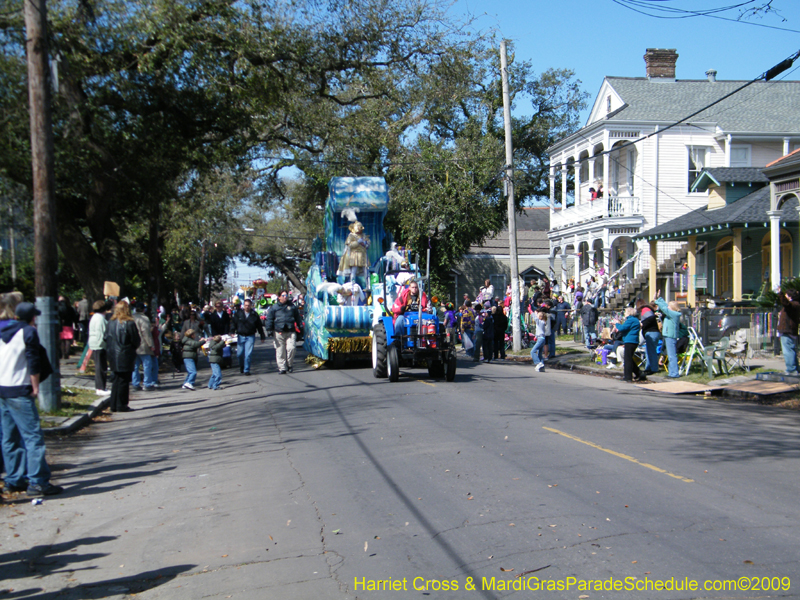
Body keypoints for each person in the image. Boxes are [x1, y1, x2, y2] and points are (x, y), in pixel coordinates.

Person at [0, 302, 63, 497]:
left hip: (2, 389)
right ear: (32, 317)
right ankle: (37, 482)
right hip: (20, 389)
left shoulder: (3, 331)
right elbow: (33, 361)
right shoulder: (28, 332)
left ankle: (14, 478)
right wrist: (35, 386)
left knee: (9, 437)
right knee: (33, 437)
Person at [105, 301, 141, 412]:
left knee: (116, 379)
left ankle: (114, 404)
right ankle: (121, 404)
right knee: (124, 380)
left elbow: (105, 337)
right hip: (125, 353)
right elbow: (136, 340)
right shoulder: (129, 323)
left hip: (112, 353)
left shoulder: (110, 322)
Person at [265, 291, 303, 374]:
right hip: (278, 332)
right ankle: (282, 368)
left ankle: (289, 365)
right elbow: (269, 319)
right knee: (280, 351)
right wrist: (269, 329)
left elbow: (298, 318)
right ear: (279, 297)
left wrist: (301, 328)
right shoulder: (274, 307)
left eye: (286, 295)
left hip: (290, 331)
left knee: (291, 348)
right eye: (283, 295)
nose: (285, 297)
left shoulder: (292, 307)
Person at [232, 298, 266, 375]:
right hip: (241, 335)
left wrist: (262, 335)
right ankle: (242, 366)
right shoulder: (238, 313)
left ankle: (246, 370)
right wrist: (232, 331)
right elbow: (234, 323)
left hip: (250, 336)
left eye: (248, 305)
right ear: (243, 305)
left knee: (248, 354)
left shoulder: (254, 314)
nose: (247, 307)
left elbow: (259, 326)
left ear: (251, 306)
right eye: (245, 305)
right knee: (239, 354)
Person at [655, 292, 682, 379]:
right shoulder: (672, 313)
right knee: (670, 355)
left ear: (673, 308)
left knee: (671, 355)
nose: (668, 307)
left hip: (670, 336)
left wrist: (656, 301)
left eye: (669, 306)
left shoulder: (673, 314)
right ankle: (672, 372)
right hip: (668, 335)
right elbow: (665, 306)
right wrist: (659, 298)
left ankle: (674, 373)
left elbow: (664, 308)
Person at [614, 307, 646, 382]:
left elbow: (622, 328)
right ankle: (639, 373)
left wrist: (617, 324)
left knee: (627, 359)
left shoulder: (631, 320)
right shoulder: (634, 320)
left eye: (625, 312)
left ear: (629, 313)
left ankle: (628, 377)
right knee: (629, 358)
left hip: (630, 341)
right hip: (632, 340)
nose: (624, 314)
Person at [132, 302, 157, 391]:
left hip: (133, 345)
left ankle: (135, 382)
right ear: (143, 309)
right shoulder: (144, 318)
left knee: (135, 365)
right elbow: (146, 332)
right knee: (147, 364)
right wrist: (151, 344)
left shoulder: (132, 317)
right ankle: (147, 383)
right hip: (143, 344)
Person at [88, 299, 111, 395]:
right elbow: (101, 333)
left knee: (100, 366)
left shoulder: (94, 317)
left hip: (94, 343)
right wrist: (106, 344)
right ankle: (100, 388)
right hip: (99, 345)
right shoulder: (100, 319)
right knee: (101, 367)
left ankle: (100, 387)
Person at [778, 288, 800, 375]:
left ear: (789, 296)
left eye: (786, 295)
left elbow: (786, 303)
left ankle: (791, 369)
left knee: (788, 350)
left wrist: (780, 293)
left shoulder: (793, 305)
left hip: (788, 330)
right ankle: (795, 368)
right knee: (792, 349)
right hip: (790, 330)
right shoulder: (796, 305)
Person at [639, 301, 661, 376]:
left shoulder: (645, 309)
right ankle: (648, 367)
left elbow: (651, 317)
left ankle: (653, 368)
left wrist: (643, 324)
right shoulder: (648, 309)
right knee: (649, 351)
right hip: (653, 333)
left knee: (651, 352)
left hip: (651, 333)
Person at [530, 307, 550, 372]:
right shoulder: (542, 322)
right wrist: (536, 336)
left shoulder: (540, 322)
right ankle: (542, 367)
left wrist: (530, 310)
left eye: (538, 315)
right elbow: (539, 330)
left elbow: (534, 317)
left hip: (540, 339)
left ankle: (538, 363)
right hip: (541, 338)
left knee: (532, 351)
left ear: (540, 317)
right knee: (539, 353)